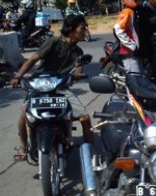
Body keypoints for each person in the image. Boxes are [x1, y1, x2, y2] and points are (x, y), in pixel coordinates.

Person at [10, 14, 94, 161]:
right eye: (82, 28)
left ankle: (91, 155)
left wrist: (79, 74)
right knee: (24, 114)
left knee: (85, 118)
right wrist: (18, 76)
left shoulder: (78, 52)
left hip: (61, 88)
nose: (85, 31)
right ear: (71, 29)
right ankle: (24, 147)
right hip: (40, 86)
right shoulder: (54, 42)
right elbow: (33, 59)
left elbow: (79, 70)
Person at [113, 0, 148, 75]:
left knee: (140, 77)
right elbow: (118, 29)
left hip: (135, 52)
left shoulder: (133, 12)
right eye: (138, 0)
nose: (141, 2)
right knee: (135, 78)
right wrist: (132, 45)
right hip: (129, 53)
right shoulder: (127, 12)